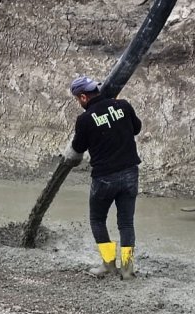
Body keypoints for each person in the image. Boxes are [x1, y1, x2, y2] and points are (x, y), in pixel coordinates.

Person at [63, 75, 143, 279]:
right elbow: (137, 128)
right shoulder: (123, 106)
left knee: (97, 219)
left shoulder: (85, 119)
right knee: (126, 223)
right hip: (130, 173)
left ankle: (108, 264)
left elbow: (78, 149)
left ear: (82, 97)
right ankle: (127, 269)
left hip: (105, 178)